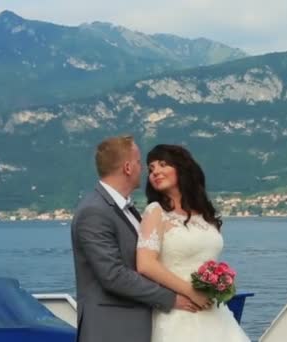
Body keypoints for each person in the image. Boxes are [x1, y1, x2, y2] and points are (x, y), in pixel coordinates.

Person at [71, 135, 200, 342]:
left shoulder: (126, 209)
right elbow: (113, 275)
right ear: (128, 168)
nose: (144, 170)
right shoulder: (94, 212)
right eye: (140, 163)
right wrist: (171, 298)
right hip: (111, 330)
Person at [136, 144, 250, 341]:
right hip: (179, 311)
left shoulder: (205, 214)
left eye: (163, 164)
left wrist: (220, 283)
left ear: (181, 168)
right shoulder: (156, 211)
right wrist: (191, 292)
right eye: (151, 168)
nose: (155, 172)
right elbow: (146, 265)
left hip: (215, 313)